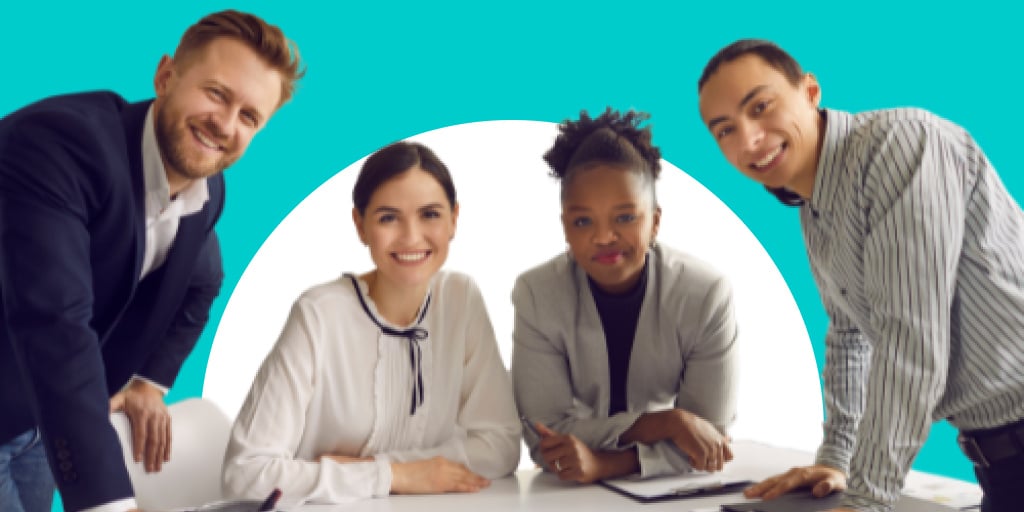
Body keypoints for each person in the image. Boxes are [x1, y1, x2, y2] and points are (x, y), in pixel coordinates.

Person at [697, 39, 1024, 512]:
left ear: (809, 91)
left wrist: (868, 499)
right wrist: (838, 458)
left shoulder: (902, 144)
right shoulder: (814, 208)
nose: (748, 140)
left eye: (761, 107)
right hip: (999, 461)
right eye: (725, 130)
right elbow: (850, 335)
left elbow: (909, 338)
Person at [0, 10, 303, 512]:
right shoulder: (57, 146)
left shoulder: (206, 187)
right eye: (217, 94)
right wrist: (112, 503)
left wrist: (148, 381)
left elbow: (203, 279)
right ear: (166, 76)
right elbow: (54, 321)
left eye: (249, 117)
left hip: (40, 422)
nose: (225, 126)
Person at [221, 141, 521, 507]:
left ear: (454, 219)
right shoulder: (319, 314)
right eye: (388, 217)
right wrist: (396, 477)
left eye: (430, 214)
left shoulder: (460, 298)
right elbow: (244, 476)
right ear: (360, 225)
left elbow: (501, 446)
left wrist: (383, 469)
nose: (411, 237)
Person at [511, 108, 740, 484]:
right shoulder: (537, 294)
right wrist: (667, 423)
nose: (603, 238)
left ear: (655, 222)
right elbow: (544, 435)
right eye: (583, 221)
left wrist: (607, 464)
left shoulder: (705, 294)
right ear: (565, 226)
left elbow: (709, 439)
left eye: (625, 217)